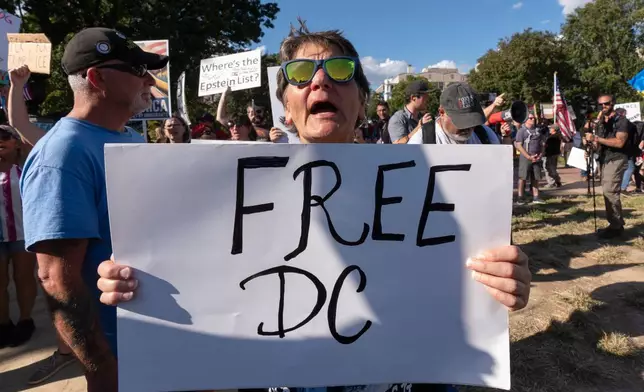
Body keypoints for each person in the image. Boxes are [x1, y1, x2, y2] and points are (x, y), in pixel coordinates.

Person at [96, 23, 531, 392]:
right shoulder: (223, 193)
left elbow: (470, 285)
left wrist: (504, 282)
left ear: (361, 101)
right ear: (286, 108)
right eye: (301, 74)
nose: (320, 82)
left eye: (340, 71)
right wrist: (141, 288)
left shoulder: (434, 188)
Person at [19, 27, 168, 390]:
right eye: (136, 69)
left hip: (169, 338)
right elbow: (56, 279)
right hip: (123, 354)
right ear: (96, 77)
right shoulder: (62, 153)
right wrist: (101, 366)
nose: (147, 79)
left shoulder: (130, 138)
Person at [6, 64, 78, 384]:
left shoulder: (129, 139)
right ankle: (65, 353)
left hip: (110, 239)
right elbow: (19, 123)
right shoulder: (57, 140)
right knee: (62, 296)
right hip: (65, 236)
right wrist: (17, 85)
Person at [586, 95, 631, 238]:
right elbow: (597, 143)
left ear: (612, 103)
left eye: (606, 104)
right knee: (607, 191)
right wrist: (590, 143)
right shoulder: (601, 123)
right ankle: (614, 224)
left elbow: (619, 142)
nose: (603, 107)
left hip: (617, 158)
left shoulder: (622, 121)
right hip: (604, 159)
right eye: (600, 104)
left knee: (610, 191)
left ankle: (617, 226)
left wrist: (597, 139)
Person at [407, 82, 500, 145]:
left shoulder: (486, 135)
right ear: (442, 112)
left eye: (472, 120)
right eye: (461, 121)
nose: (467, 127)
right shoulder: (421, 141)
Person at [515, 114, 545, 204]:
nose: (533, 119)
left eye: (534, 118)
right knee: (522, 177)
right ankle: (520, 197)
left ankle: (536, 196)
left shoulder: (538, 130)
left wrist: (541, 154)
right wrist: (528, 156)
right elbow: (518, 145)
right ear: (526, 120)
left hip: (536, 157)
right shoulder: (521, 131)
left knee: (536, 177)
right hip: (525, 157)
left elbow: (542, 144)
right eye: (530, 118)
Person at [543, 125, 563, 189]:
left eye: (551, 128)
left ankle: (552, 182)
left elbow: (548, 146)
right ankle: (557, 181)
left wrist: (544, 145)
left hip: (551, 154)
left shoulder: (552, 137)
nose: (549, 129)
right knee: (552, 168)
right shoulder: (557, 136)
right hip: (554, 154)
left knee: (548, 168)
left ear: (554, 129)